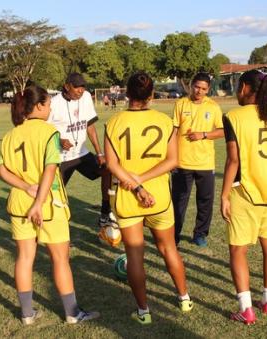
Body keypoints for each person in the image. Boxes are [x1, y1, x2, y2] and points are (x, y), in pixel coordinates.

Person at [0, 85, 100, 325]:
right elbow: (50, 170)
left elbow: (2, 170)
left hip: (19, 203)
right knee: (60, 259)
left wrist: (25, 187)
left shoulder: (11, 134)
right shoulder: (49, 133)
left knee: (24, 257)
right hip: (48, 204)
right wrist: (38, 202)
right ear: (39, 106)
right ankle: (72, 313)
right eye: (48, 105)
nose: (51, 108)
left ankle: (26, 314)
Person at [104, 72, 192, 325]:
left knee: (134, 255)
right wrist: (144, 180)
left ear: (126, 94)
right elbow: (173, 161)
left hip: (129, 197)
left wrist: (136, 184)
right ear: (152, 94)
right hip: (160, 198)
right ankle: (184, 298)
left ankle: (144, 312)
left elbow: (111, 164)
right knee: (168, 248)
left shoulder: (114, 122)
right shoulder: (165, 121)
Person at [220, 70, 267, 325]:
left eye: (240, 86)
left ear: (246, 88)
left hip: (245, 192)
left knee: (238, 250)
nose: (238, 91)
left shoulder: (234, 116)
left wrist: (225, 194)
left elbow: (233, 159)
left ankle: (246, 309)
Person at [48, 73, 115, 228]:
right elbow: (44, 130)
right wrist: (59, 140)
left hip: (81, 154)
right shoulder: (53, 103)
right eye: (77, 87)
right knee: (54, 194)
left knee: (107, 171)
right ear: (66, 86)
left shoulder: (85, 97)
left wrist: (99, 153)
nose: (80, 90)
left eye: (83, 86)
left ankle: (105, 214)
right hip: (61, 157)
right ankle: (52, 228)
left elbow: (89, 126)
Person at [172, 73, 224, 247]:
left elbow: (222, 130)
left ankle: (200, 234)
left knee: (205, 201)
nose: (199, 91)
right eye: (196, 87)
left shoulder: (214, 107)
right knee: (179, 201)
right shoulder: (180, 104)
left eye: (203, 88)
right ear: (191, 85)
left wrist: (203, 135)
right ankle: (174, 235)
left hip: (205, 162)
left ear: (208, 89)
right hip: (182, 162)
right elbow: (174, 131)